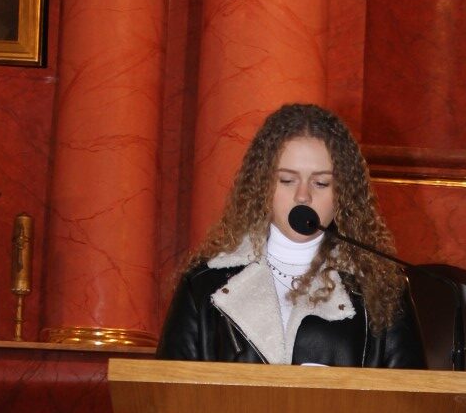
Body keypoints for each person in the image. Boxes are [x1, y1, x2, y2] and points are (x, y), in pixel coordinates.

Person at [156, 102, 425, 368]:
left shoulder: (382, 288)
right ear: (262, 185)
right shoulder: (203, 285)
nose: (303, 195)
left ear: (343, 193)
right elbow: (170, 390)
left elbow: (409, 392)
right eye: (287, 180)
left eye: (321, 183)